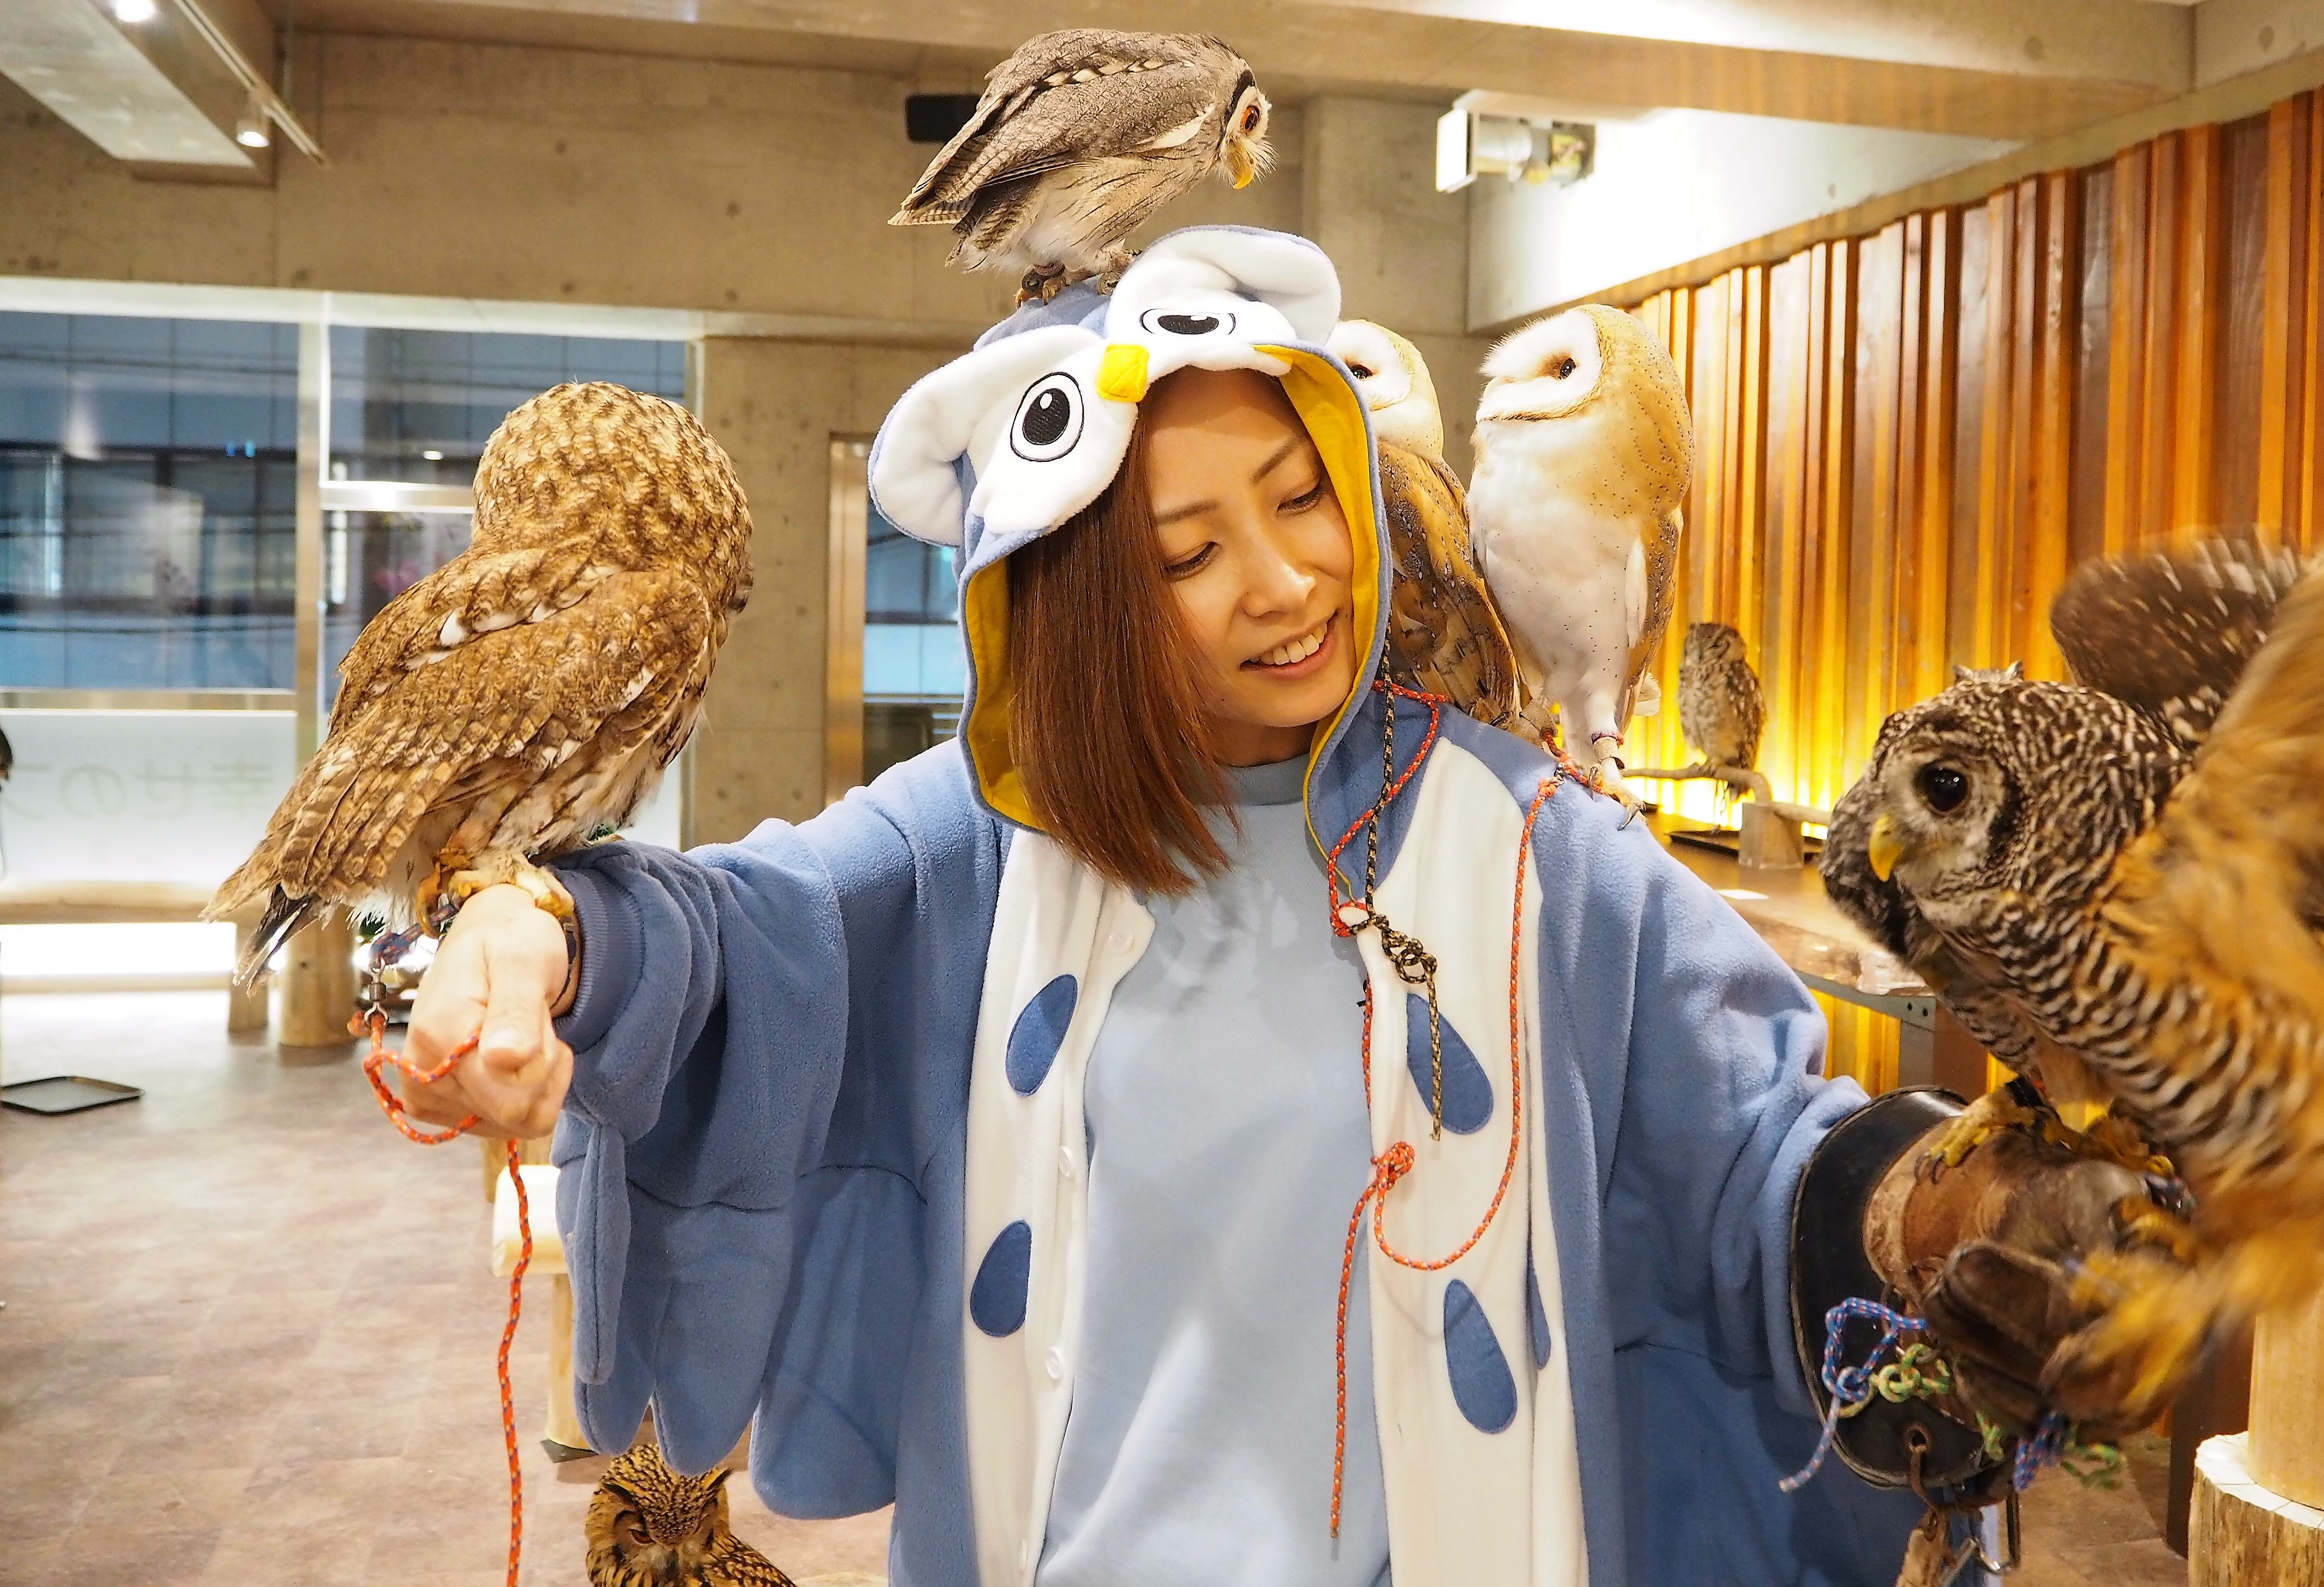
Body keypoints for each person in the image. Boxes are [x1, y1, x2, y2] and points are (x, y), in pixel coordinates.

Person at [401, 229, 2153, 1586]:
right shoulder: (984, 847)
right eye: (1189, 553)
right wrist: (541, 931)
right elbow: (734, 933)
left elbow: (1758, 1161)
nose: (1289, 578)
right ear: (1087, 604)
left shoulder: (1537, 847)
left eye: (1304, 494)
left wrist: (1938, 1213)